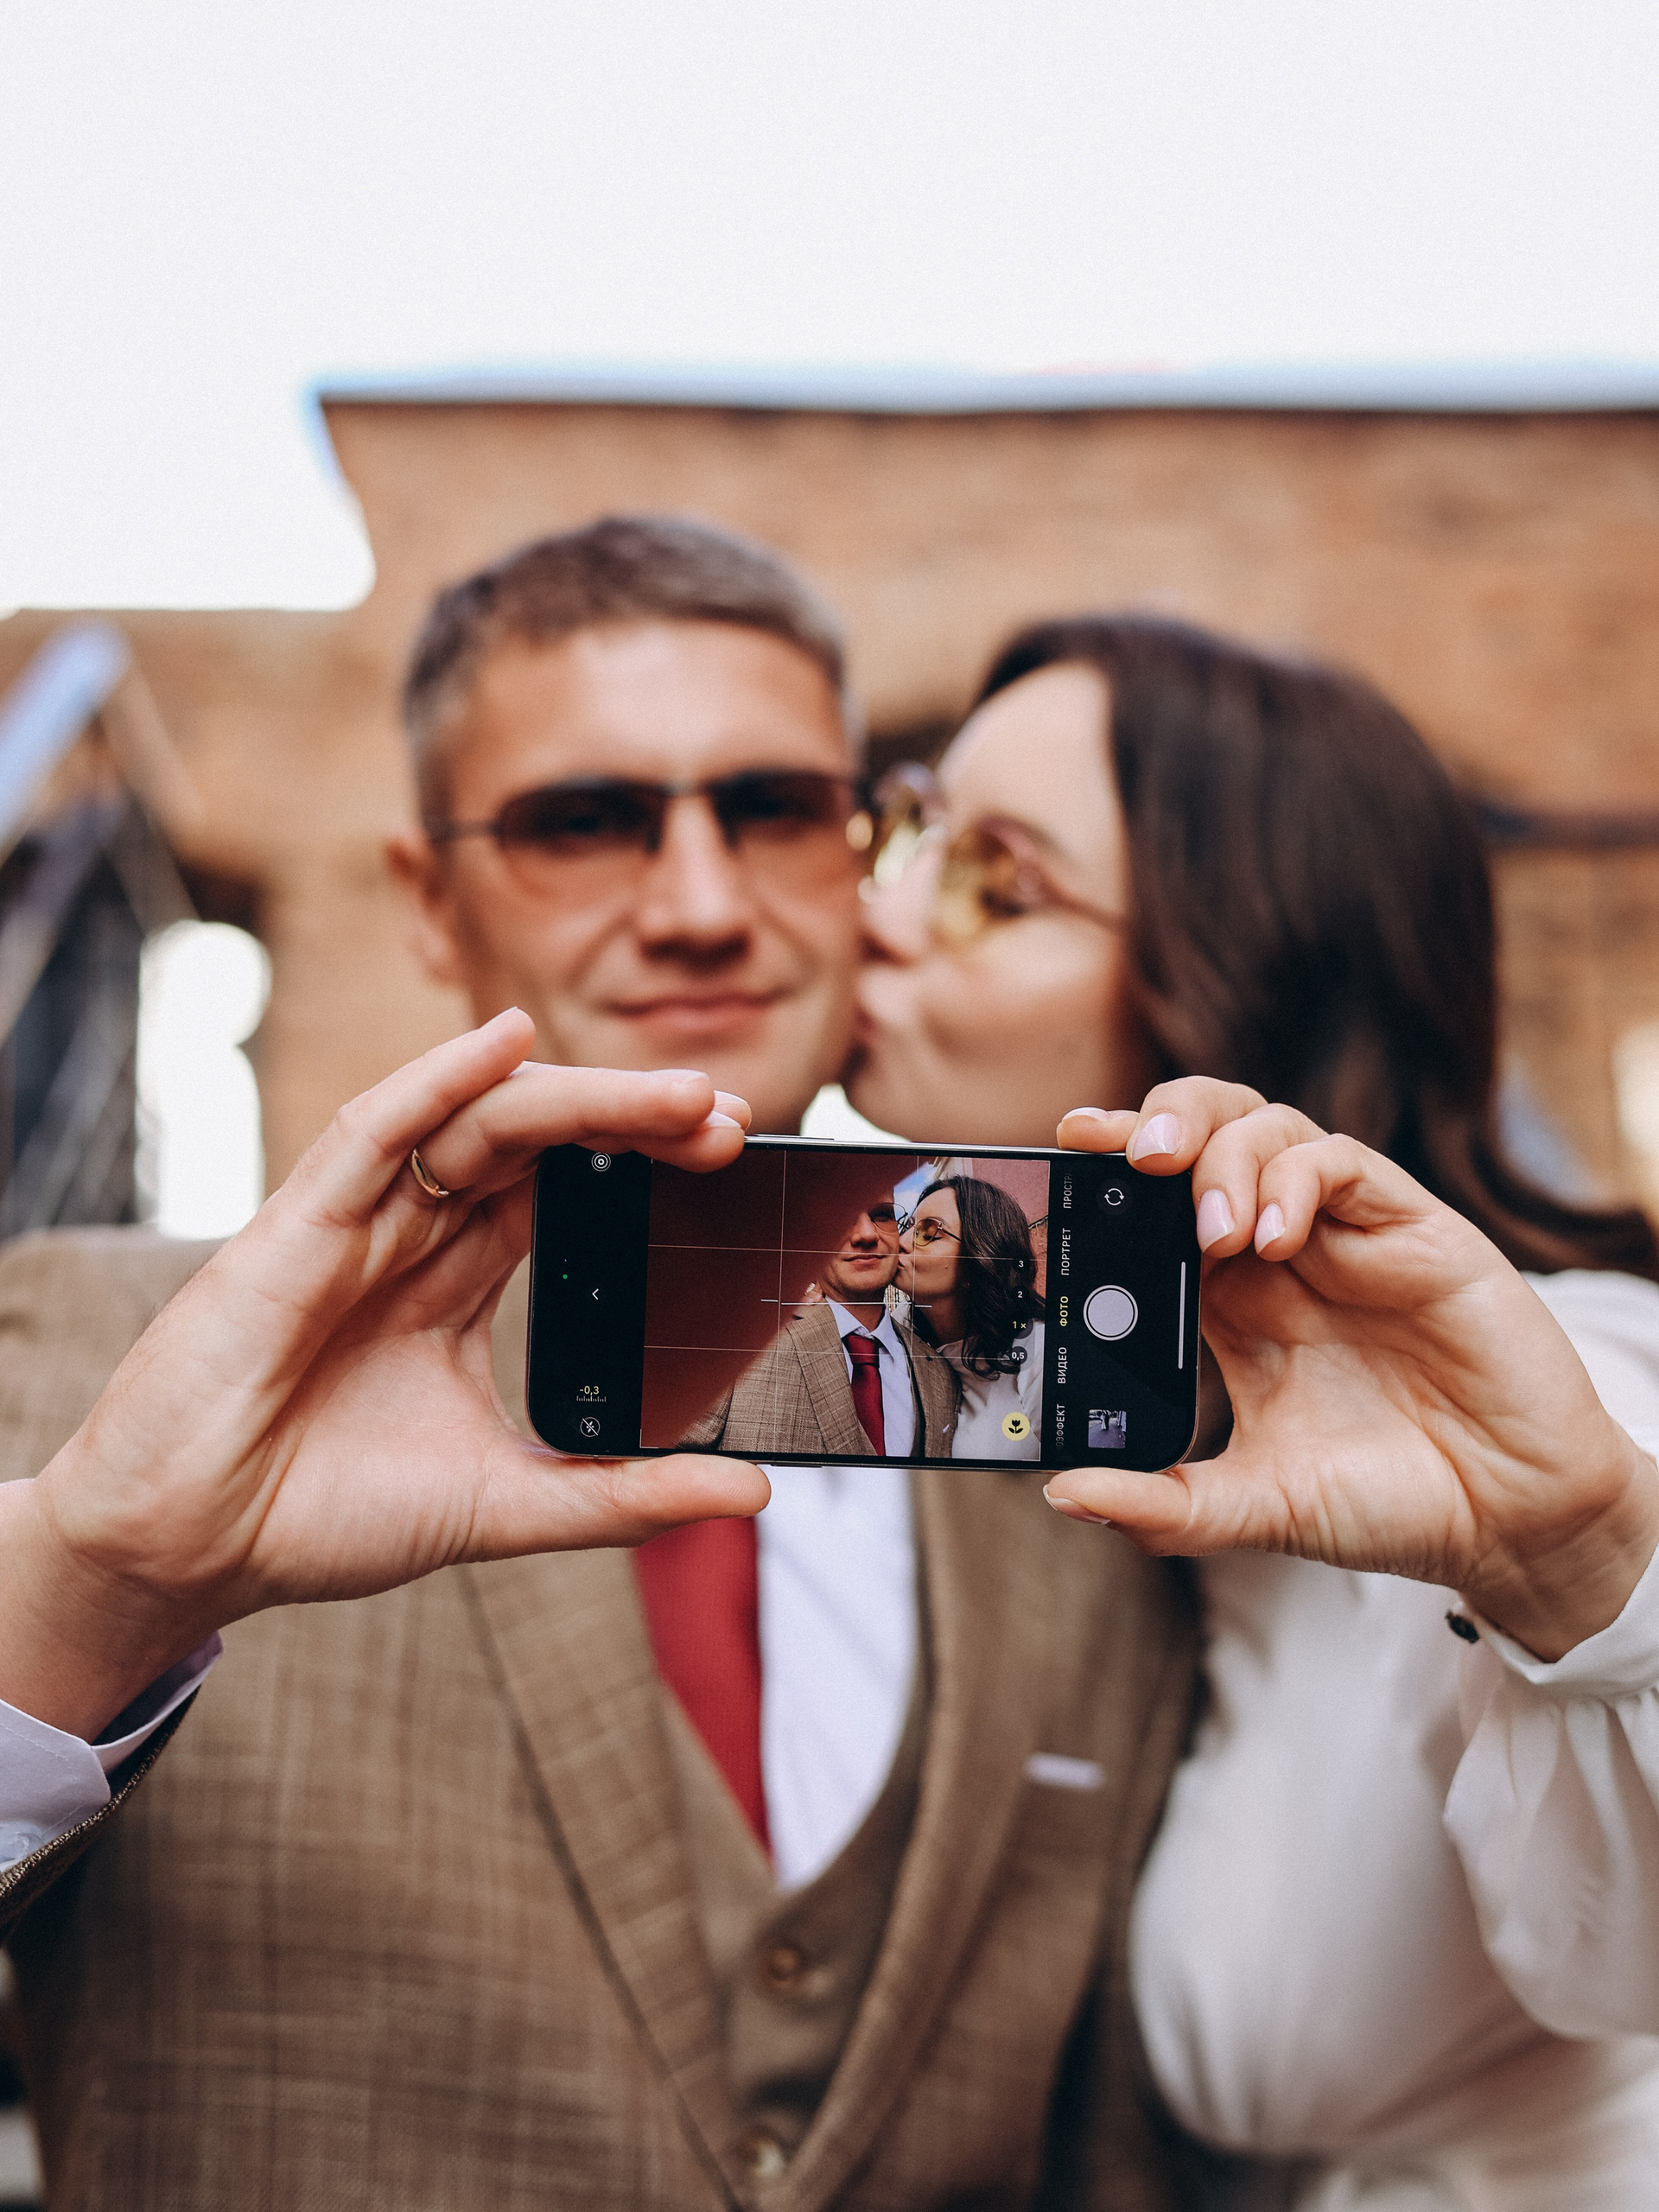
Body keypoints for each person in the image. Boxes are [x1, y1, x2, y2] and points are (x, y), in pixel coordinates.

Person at [0, 520, 1196, 2209]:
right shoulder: (85, 1347)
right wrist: (87, 1584)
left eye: (773, 810)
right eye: (583, 821)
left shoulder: (1066, 1445)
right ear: (430, 901)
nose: (701, 905)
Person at [850, 613, 1659, 2207]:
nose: (873, 909)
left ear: (1225, 982)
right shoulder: (1101, 1428)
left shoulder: (1564, 1384)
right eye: (911, 830)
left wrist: (1584, 1564)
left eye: (996, 882)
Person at [680, 1186, 959, 1459]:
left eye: (882, 1215)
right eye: (841, 1216)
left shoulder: (940, 1376)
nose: (866, 1234)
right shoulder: (742, 1345)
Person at [898, 1176, 1045, 1461]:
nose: (901, 1242)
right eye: (908, 1227)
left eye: (928, 1233)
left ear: (978, 1259)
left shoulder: (1040, 1353)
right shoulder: (900, 1331)